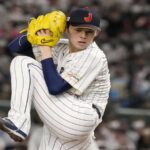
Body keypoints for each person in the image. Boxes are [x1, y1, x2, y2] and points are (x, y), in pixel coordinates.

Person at [0, 7, 110, 149]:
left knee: (23, 63)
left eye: (89, 31)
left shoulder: (93, 55)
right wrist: (36, 32)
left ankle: (18, 122)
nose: (83, 35)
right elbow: (14, 48)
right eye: (78, 30)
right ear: (67, 29)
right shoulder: (61, 47)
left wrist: (45, 47)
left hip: (81, 116)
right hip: (61, 117)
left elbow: (55, 88)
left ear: (96, 33)